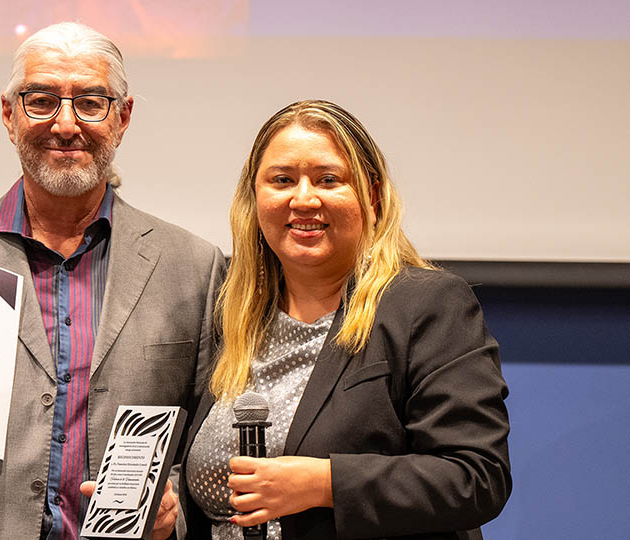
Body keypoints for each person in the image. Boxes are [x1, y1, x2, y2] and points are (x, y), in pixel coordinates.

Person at [0, 22, 225, 540]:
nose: (66, 124)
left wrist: (175, 514)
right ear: (9, 115)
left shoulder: (193, 268)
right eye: (42, 101)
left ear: (123, 118)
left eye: (91, 103)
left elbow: (208, 456)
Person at [179, 100, 511, 540]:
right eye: (282, 180)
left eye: (328, 179)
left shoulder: (426, 305)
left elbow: (477, 476)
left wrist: (326, 484)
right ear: (254, 198)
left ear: (371, 196)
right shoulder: (234, 316)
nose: (303, 199)